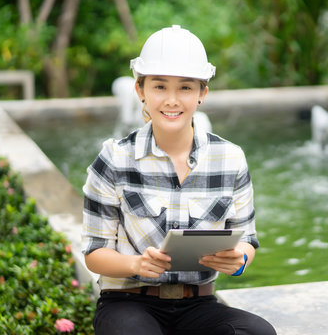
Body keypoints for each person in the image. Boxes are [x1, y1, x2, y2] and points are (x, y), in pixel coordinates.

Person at [81, 25, 277, 335]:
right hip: (128, 303)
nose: (172, 100)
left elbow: (247, 240)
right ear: (140, 90)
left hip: (198, 305)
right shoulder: (113, 159)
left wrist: (238, 261)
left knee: (257, 332)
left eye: (185, 88)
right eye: (160, 87)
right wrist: (135, 266)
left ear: (202, 93)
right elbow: (94, 253)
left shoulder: (231, 159)